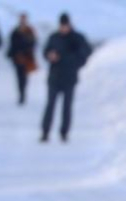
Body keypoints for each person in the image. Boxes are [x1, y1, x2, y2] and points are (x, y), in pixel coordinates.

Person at [40, 13, 92, 142]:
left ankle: (64, 132)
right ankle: (45, 132)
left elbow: (86, 52)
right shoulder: (54, 37)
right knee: (50, 106)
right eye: (61, 26)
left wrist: (72, 61)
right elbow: (45, 51)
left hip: (69, 77)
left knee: (66, 107)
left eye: (65, 26)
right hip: (54, 77)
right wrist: (49, 55)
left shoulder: (77, 38)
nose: (63, 28)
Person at [7, 13, 37, 105]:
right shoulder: (15, 31)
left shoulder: (29, 31)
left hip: (26, 58)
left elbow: (33, 43)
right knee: (19, 77)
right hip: (17, 58)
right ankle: (21, 94)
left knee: (24, 77)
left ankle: (23, 94)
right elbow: (12, 43)